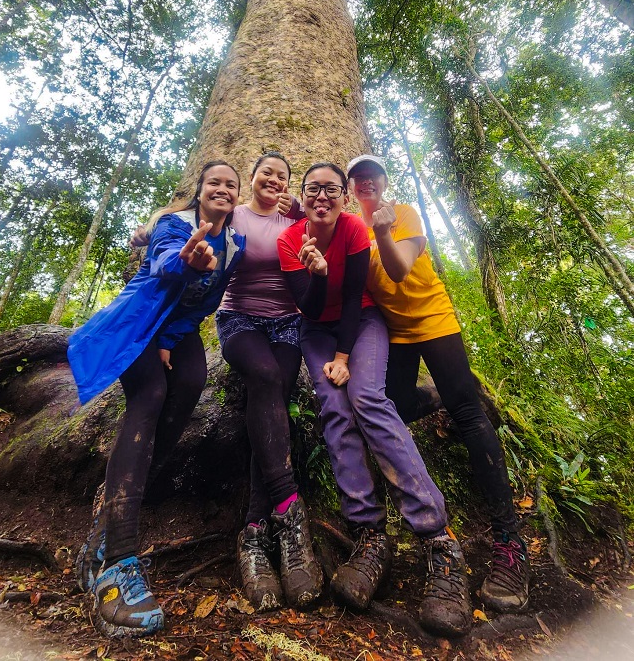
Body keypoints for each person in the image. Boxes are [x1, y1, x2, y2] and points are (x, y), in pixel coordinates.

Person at [277, 162, 472, 637]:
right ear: (302, 198)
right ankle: (368, 533)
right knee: (334, 410)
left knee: (366, 397)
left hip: (360, 323)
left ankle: (437, 539)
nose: (322, 197)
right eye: (313, 190)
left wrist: (345, 356)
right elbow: (307, 306)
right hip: (313, 330)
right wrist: (316, 271)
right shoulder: (290, 239)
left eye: (332, 189)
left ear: (344, 197)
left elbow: (351, 300)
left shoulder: (351, 228)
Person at [347, 154, 531, 614]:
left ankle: (510, 542)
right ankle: (436, 396)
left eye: (372, 175)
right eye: (357, 178)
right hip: (395, 331)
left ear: (384, 182)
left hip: (434, 320)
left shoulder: (403, 214)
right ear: (351, 188)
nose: (365, 182)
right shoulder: (353, 228)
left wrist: (385, 231)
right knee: (392, 406)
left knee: (468, 413)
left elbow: (398, 270)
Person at [68, 161, 245, 638]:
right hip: (140, 315)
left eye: (231, 185)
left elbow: (208, 303)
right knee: (149, 396)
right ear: (201, 190)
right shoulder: (175, 225)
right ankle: (119, 559)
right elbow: (164, 260)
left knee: (188, 387)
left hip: (172, 327)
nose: (222, 190)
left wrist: (173, 337)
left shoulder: (236, 245)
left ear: (236, 196)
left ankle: (106, 528)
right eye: (215, 183)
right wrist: (185, 261)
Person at [215, 152, 322, 610]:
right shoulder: (233, 213)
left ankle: (255, 533)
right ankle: (288, 508)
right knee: (264, 376)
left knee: (275, 393)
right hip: (239, 321)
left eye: (282, 175)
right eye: (266, 173)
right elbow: (183, 217)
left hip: (286, 325)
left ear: (288, 185)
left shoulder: (296, 220)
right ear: (252, 178)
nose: (273, 180)